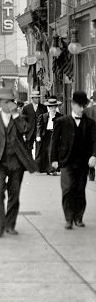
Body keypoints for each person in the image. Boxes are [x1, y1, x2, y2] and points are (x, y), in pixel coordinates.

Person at [0, 87, 38, 238]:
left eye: (10, 101)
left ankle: (10, 225)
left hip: (16, 163)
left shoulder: (19, 119)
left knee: (14, 195)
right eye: (5, 102)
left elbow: (26, 130)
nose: (8, 104)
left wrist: (16, 115)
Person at [50, 90, 96, 230]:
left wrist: (94, 156)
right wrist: (54, 159)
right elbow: (54, 142)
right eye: (79, 106)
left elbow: (95, 141)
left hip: (83, 162)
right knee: (67, 189)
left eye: (84, 106)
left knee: (80, 190)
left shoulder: (90, 123)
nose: (82, 109)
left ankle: (78, 217)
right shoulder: (61, 122)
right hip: (66, 161)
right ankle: (69, 218)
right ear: (73, 105)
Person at [36, 97, 61, 175]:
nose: (53, 109)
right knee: (46, 152)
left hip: (55, 136)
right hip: (46, 135)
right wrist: (38, 135)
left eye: (54, 107)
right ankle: (47, 169)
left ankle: (52, 169)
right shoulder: (44, 116)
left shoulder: (60, 116)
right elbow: (39, 126)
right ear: (49, 108)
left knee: (53, 151)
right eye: (51, 107)